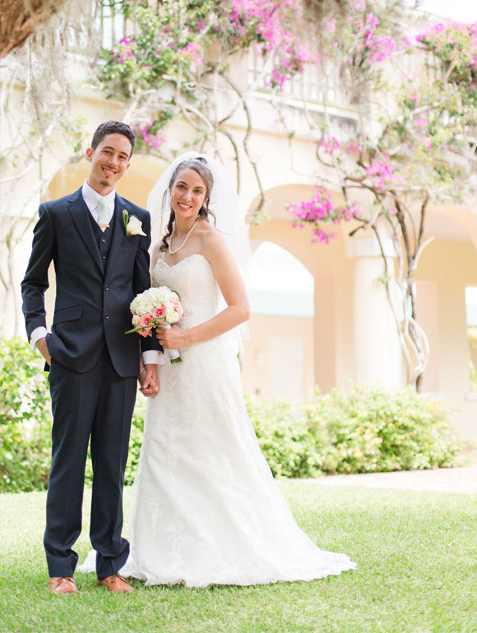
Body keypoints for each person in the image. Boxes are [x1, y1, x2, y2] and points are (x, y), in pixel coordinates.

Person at [80, 152, 355, 586]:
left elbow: (241, 308)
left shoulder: (211, 240)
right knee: (166, 450)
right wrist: (147, 361)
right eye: (181, 187)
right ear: (169, 189)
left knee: (212, 450)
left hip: (205, 362)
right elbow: (146, 308)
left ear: (207, 197)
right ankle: (161, 549)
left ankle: (221, 545)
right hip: (167, 368)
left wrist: (187, 337)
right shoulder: (159, 244)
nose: (187, 196)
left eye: (197, 190)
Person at [21, 120, 162, 595]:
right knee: (67, 462)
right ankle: (60, 566)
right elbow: (33, 282)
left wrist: (148, 357)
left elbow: (142, 294)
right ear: (91, 152)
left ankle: (109, 566)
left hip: (121, 360)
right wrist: (41, 337)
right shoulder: (56, 214)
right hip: (71, 357)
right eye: (108, 152)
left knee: (111, 462)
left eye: (123, 156)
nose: (115, 162)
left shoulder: (136, 218)